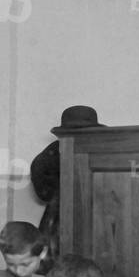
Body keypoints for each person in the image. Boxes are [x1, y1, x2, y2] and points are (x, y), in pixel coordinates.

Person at [29, 105, 105, 264]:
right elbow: (43, 190)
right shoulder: (54, 152)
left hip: (93, 213)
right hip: (60, 216)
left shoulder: (100, 150)